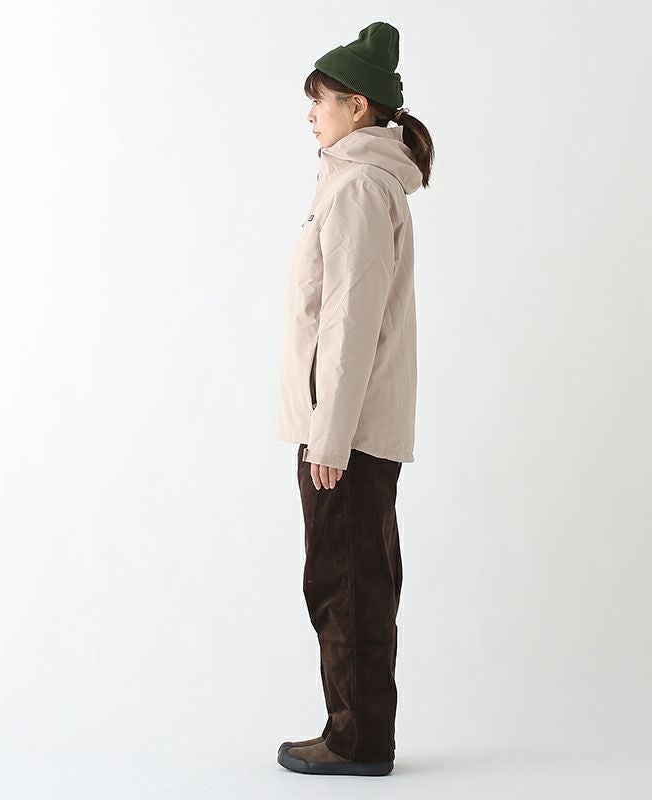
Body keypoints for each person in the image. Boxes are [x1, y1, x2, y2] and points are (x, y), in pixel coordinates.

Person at [275, 20, 435, 777]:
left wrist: (329, 438)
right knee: (354, 577)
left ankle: (357, 740)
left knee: (344, 581)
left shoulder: (360, 188)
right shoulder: (353, 182)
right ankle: (357, 730)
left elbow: (348, 322)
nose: (311, 114)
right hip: (348, 427)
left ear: (359, 106)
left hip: (346, 432)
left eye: (323, 100)